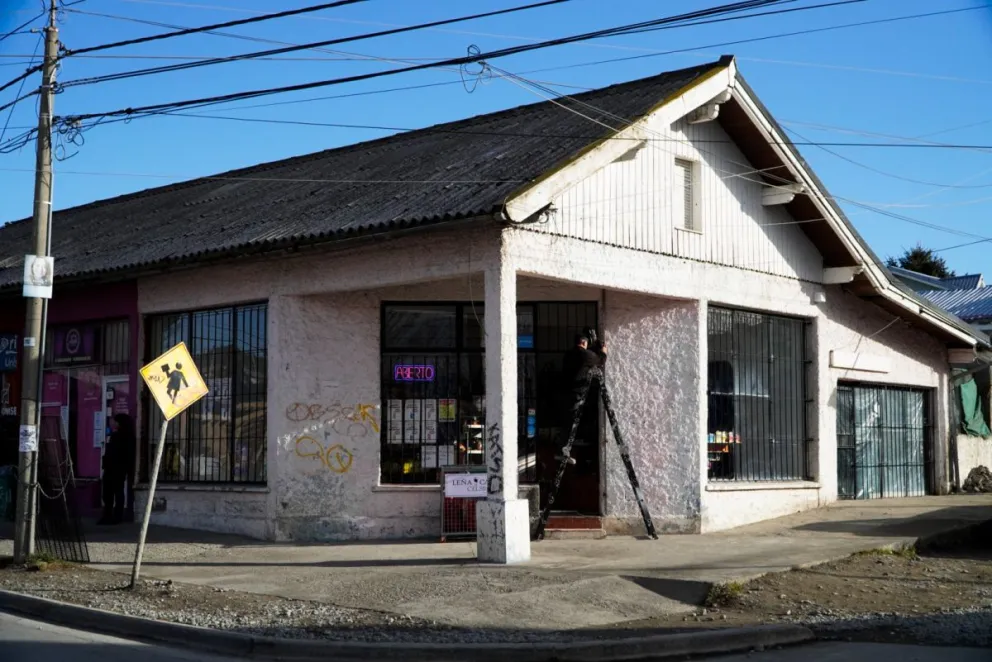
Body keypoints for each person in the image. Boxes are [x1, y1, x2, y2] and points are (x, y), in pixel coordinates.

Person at [557, 329, 607, 464]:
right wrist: (603, 350)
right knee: (572, 422)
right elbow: (600, 360)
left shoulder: (569, 354)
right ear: (585, 343)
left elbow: (586, 357)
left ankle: (562, 449)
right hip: (575, 392)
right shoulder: (585, 355)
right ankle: (564, 452)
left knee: (566, 422)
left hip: (564, 392)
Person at [99, 413, 135, 525]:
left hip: (113, 468)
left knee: (109, 493)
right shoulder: (129, 436)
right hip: (119, 469)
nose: (113, 423)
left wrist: (107, 463)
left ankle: (109, 515)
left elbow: (112, 453)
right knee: (118, 492)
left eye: (115, 421)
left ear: (119, 423)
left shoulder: (117, 436)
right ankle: (116, 516)